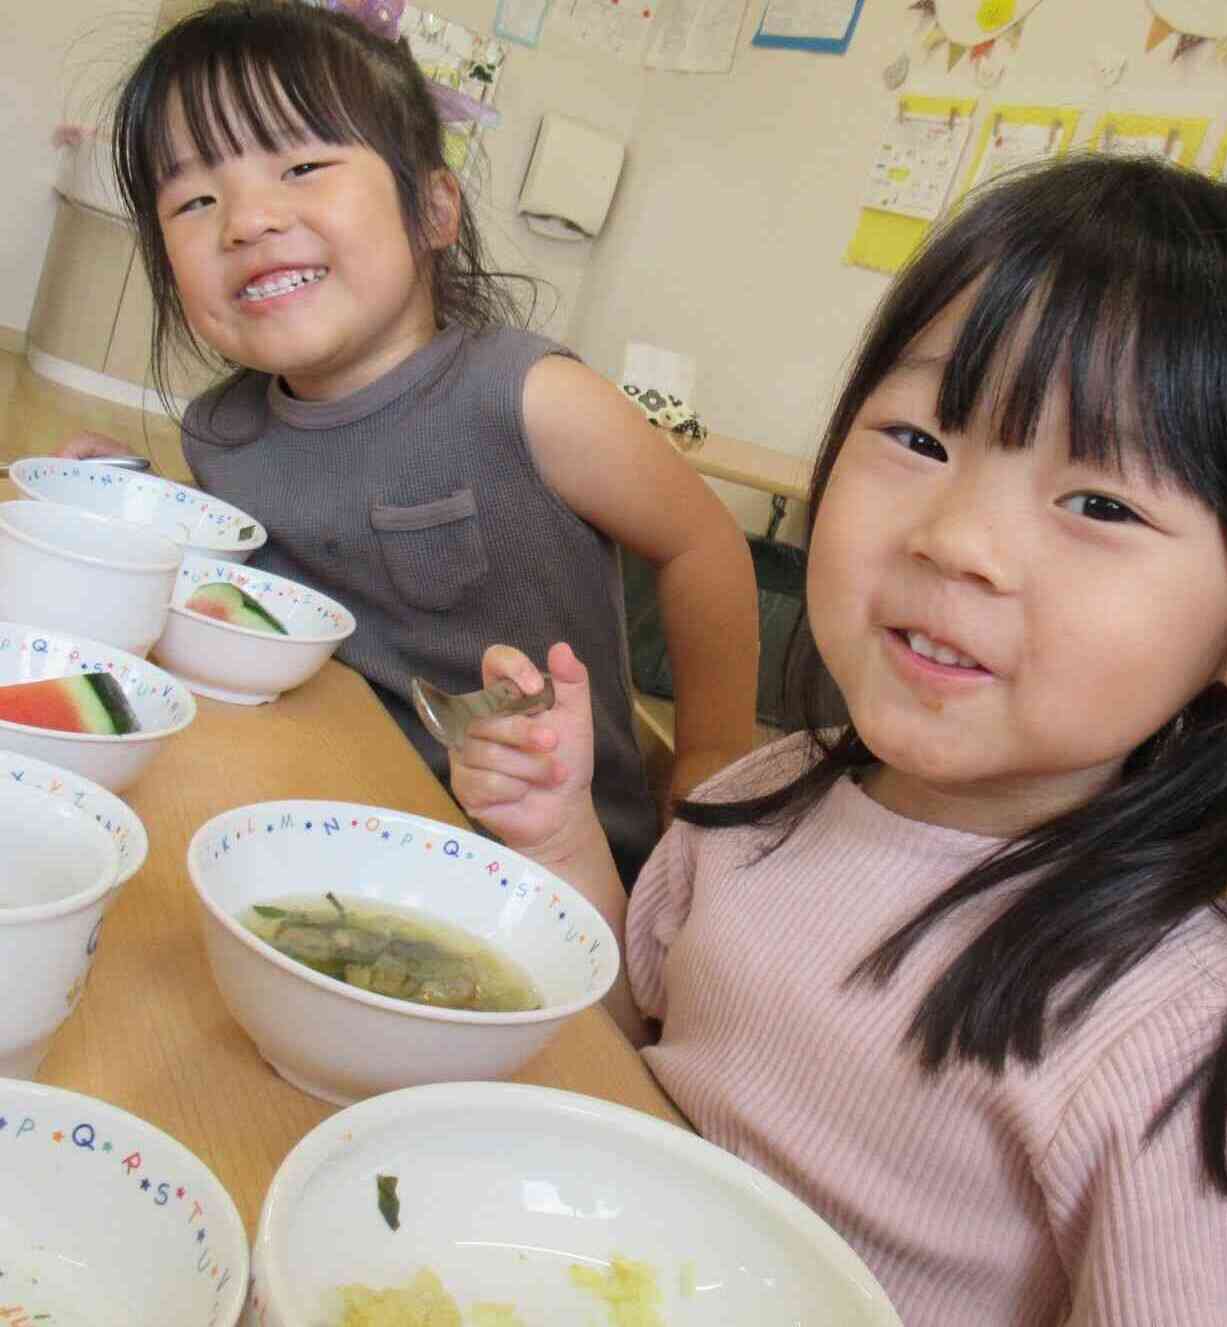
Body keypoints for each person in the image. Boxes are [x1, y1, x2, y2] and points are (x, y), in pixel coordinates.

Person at [451, 154, 1227, 1326]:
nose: (958, 537)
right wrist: (562, 834)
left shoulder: (1178, 1040)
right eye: (921, 438)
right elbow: (633, 1053)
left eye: (1102, 504)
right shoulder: (768, 799)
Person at [59, 0, 759, 884]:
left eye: (303, 164)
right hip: (316, 812)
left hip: (546, 867)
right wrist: (134, 505)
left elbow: (706, 542)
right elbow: (251, 600)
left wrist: (708, 771)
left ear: (433, 210)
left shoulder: (534, 402)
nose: (245, 220)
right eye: (195, 199)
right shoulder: (220, 434)